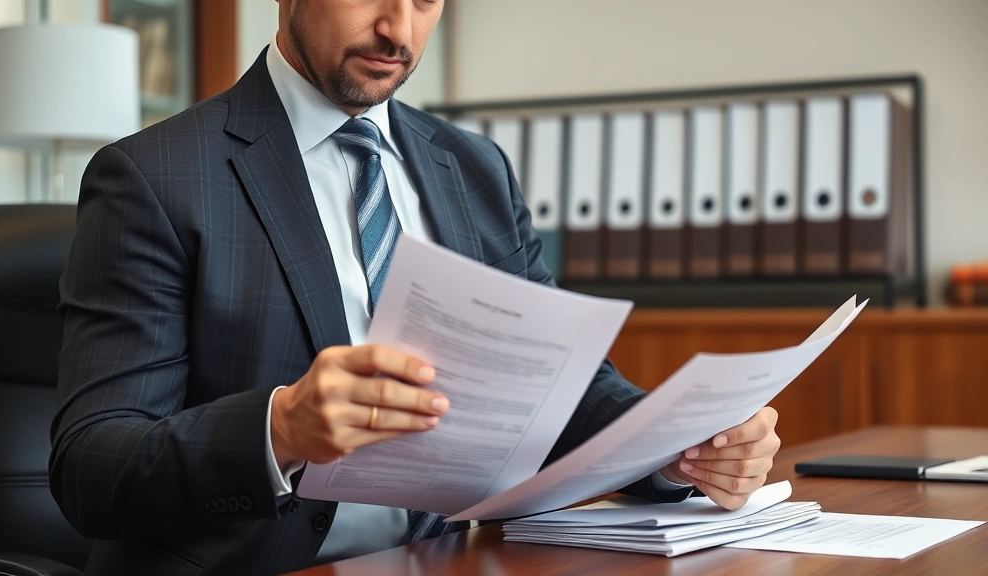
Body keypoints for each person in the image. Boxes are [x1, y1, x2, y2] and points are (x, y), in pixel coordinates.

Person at [50, 1, 780, 574]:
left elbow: (566, 385)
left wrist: (680, 443)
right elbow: (92, 465)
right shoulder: (155, 177)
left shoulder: (475, 169)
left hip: (449, 560)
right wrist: (280, 428)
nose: (398, 28)